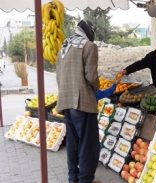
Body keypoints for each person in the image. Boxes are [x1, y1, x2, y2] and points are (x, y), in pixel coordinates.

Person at [56, 20, 102, 183]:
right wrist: (98, 87)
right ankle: (85, 180)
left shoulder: (64, 46)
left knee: (73, 144)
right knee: (88, 146)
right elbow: (91, 77)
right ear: (89, 32)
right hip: (83, 103)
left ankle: (73, 178)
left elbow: (58, 77)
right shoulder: (89, 46)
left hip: (66, 102)